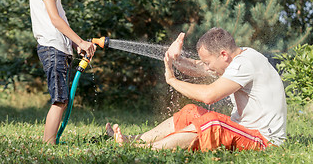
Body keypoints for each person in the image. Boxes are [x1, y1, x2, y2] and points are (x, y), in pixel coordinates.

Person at [106, 27, 287, 151]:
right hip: (243, 131)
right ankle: (135, 140)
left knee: (213, 122)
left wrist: (172, 80)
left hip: (264, 140)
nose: (207, 67)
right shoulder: (235, 58)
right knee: (190, 111)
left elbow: (209, 96)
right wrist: (175, 59)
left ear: (223, 54)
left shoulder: (245, 64)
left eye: (209, 62)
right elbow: (197, 68)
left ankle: (144, 149)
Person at [29, 0, 96, 144]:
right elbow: (55, 20)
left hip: (58, 50)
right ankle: (48, 144)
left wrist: (76, 44)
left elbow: (59, 25)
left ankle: (52, 140)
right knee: (59, 100)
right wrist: (81, 41)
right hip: (52, 50)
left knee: (63, 99)